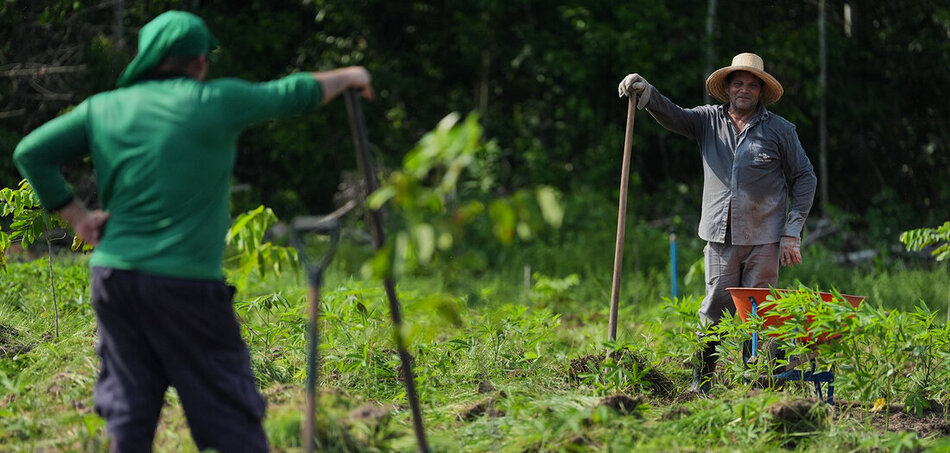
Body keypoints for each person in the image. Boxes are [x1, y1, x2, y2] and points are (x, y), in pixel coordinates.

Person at [13, 10, 373, 452]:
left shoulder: (102, 108)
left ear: (147, 58)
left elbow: (31, 152)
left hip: (115, 280)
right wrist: (350, 74)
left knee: (128, 408)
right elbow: (293, 93)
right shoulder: (216, 101)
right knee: (227, 413)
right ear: (200, 62)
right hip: (186, 286)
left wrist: (78, 218)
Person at [617, 52, 817, 394]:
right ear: (726, 88)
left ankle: (760, 384)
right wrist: (646, 91)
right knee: (716, 308)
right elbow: (673, 114)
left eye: (751, 85)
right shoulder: (707, 120)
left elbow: (805, 177)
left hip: (765, 239)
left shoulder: (780, 131)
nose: (744, 90)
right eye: (738, 83)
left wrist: (792, 232)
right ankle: (702, 384)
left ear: (760, 92)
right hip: (720, 237)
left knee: (761, 313)